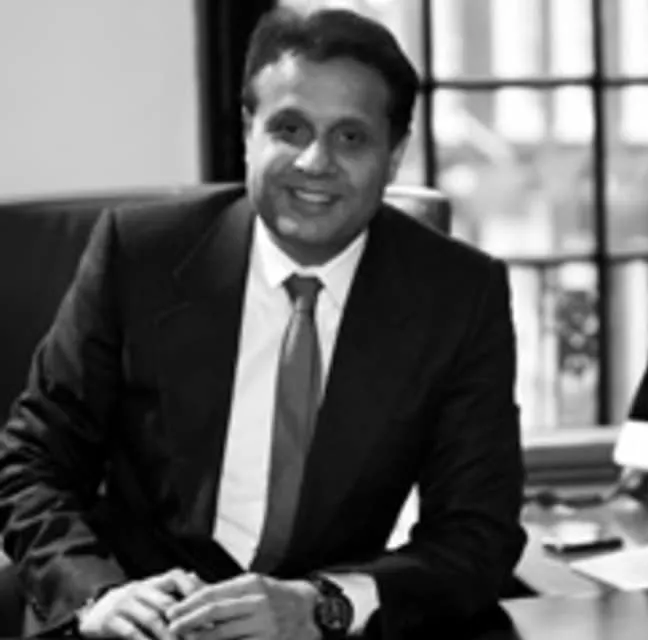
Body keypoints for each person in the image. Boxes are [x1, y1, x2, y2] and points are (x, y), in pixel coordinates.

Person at [0, 6, 525, 639]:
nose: (315, 162)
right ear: (249, 132)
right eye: (290, 128)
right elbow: (31, 462)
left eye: (351, 137)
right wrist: (98, 595)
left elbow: (479, 533)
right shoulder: (138, 256)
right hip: (134, 621)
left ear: (394, 156)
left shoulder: (458, 295)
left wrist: (323, 603)